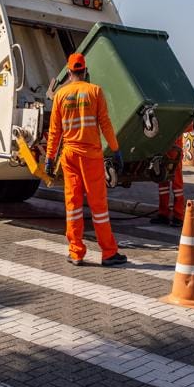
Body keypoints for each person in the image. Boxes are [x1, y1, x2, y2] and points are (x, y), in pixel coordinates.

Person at [45, 53, 127, 267]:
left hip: (69, 156)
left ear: (69, 71)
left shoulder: (60, 95)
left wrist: (49, 157)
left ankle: (76, 252)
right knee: (98, 205)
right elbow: (105, 124)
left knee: (72, 204)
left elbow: (55, 131)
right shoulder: (95, 91)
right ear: (85, 71)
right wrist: (116, 150)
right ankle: (108, 253)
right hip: (91, 156)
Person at [151, 135, 185, 227]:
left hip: (174, 153)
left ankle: (178, 216)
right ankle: (164, 214)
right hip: (165, 152)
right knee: (163, 185)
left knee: (176, 186)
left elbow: (189, 126)